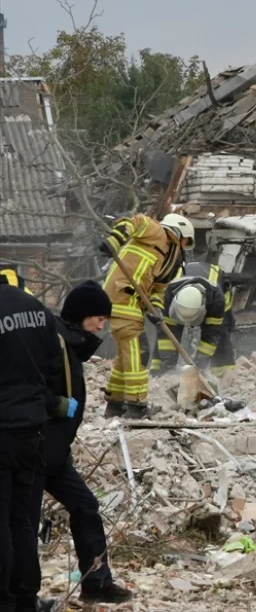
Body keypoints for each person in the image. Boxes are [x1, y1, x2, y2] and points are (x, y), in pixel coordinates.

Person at [37, 281, 134, 604]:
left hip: (54, 455)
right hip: (34, 451)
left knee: (86, 506)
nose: (102, 325)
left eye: (105, 319)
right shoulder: (55, 344)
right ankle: (21, 597)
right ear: (80, 316)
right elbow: (30, 388)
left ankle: (97, 584)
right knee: (21, 523)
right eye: (97, 318)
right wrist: (57, 406)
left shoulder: (72, 347)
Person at [0, 276, 63, 611]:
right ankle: (26, 599)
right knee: (22, 520)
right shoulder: (36, 308)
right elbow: (55, 367)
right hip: (31, 431)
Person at [100, 212, 193, 418]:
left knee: (126, 355)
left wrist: (157, 309)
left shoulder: (165, 258)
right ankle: (137, 405)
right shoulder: (156, 231)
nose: (183, 247)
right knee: (140, 352)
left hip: (131, 304)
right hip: (121, 298)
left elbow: (157, 290)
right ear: (179, 232)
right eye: (185, 241)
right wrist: (115, 240)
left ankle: (115, 404)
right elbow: (132, 221)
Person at [153, 262, 235, 376]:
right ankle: (157, 372)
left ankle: (224, 374)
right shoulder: (168, 293)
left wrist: (198, 366)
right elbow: (166, 333)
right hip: (188, 289)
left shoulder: (217, 300)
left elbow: (211, 336)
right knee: (165, 331)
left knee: (221, 334)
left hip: (217, 297)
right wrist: (168, 365)